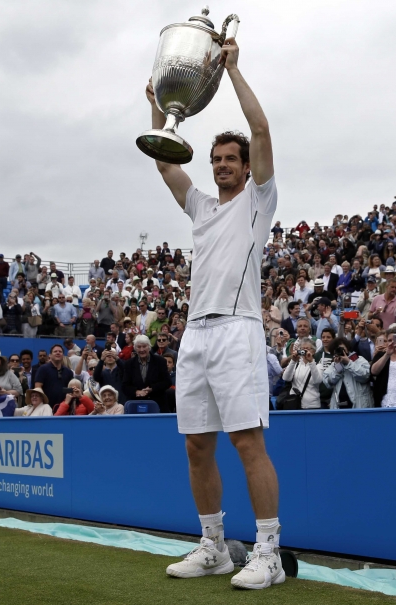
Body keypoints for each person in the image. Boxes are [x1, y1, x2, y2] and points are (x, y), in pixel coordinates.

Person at [149, 40, 284, 586]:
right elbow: (164, 161)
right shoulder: (202, 206)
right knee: (196, 445)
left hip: (237, 330)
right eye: (217, 160)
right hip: (195, 335)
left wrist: (231, 70)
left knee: (247, 441)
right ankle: (214, 546)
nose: (223, 165)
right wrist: (158, 106)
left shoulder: (258, 201)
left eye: (231, 159)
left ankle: (268, 552)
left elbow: (262, 129)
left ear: (246, 167)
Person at [121, 335, 172, 412]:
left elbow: (167, 382)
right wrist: (136, 391)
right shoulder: (129, 364)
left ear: (149, 347)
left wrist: (152, 388)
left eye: (144, 346)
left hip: (158, 404)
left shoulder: (160, 361)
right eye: (139, 347)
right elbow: (125, 386)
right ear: (135, 348)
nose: (142, 349)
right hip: (136, 405)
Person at [280, 339, 322, 409]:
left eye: (307, 349)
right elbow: (286, 378)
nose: (304, 351)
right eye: (302, 349)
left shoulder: (318, 366)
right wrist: (293, 361)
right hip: (294, 404)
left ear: (313, 351)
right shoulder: (296, 365)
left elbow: (317, 381)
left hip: (312, 405)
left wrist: (311, 362)